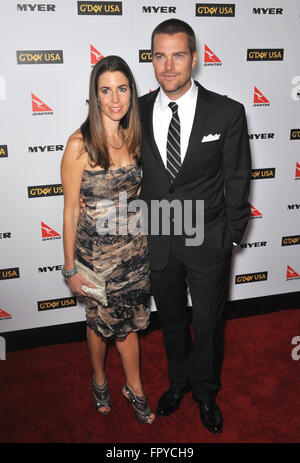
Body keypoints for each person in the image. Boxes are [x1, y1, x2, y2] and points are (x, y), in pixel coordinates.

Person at [138, 19, 251, 433]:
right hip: (159, 240)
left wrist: (230, 235)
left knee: (206, 323)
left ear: (195, 59)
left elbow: (238, 177)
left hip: (208, 240)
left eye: (178, 55)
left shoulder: (227, 111)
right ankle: (178, 382)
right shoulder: (136, 110)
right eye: (159, 55)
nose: (168, 66)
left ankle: (205, 392)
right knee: (170, 322)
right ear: (152, 59)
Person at [61, 55, 155, 424]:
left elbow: (140, 192)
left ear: (131, 92)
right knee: (101, 325)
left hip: (134, 251)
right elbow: (70, 211)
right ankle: (100, 378)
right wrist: (69, 268)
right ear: (95, 96)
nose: (115, 98)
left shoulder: (134, 136)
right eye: (106, 90)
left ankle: (134, 389)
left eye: (122, 88)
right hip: (96, 258)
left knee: (128, 324)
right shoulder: (78, 145)